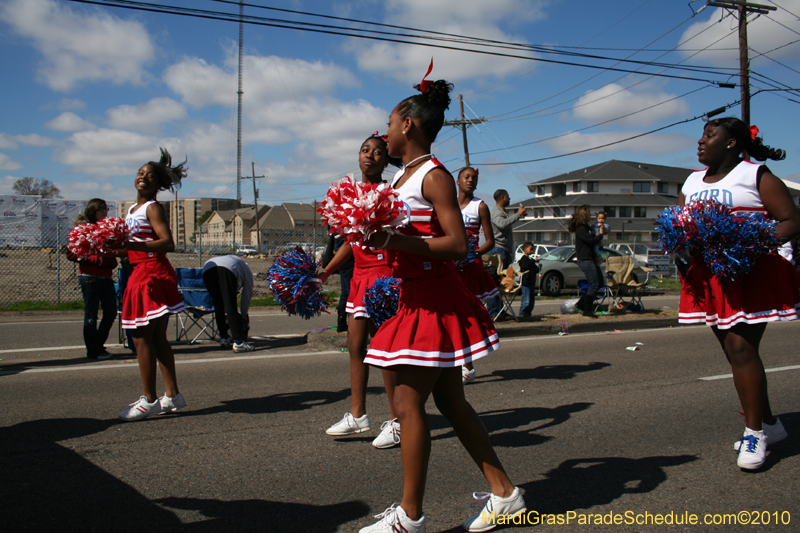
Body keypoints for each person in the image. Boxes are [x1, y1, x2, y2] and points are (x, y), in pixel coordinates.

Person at [359, 77, 523, 533]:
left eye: (390, 124)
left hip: (434, 299)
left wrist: (394, 238)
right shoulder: (402, 176)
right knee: (451, 403)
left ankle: (409, 517)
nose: (385, 132)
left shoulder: (433, 175)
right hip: (415, 295)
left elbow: (456, 245)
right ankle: (506, 494)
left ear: (408, 125)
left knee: (408, 404)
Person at [678, 117, 800, 470]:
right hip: (709, 278)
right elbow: (681, 223)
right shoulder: (691, 180)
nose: (701, 141)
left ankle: (755, 434)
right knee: (734, 354)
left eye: (710, 135)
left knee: (740, 347)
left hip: (748, 271)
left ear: (732, 143)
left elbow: (791, 220)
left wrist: (748, 240)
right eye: (701, 135)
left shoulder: (756, 175)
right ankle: (772, 425)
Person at [317, 133, 403, 449]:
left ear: (385, 160)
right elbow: (352, 244)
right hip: (360, 278)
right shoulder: (351, 194)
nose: (370, 155)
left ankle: (397, 421)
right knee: (355, 346)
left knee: (386, 352)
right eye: (365, 150)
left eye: (378, 152)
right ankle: (358, 415)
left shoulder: (389, 192)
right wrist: (325, 271)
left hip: (384, 277)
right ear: (357, 157)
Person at [119, 148, 188, 422]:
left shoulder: (152, 207)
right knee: (157, 338)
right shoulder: (132, 209)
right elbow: (131, 246)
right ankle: (172, 395)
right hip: (142, 270)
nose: (143, 178)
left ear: (158, 184)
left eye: (150, 176)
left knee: (140, 337)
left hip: (150, 272)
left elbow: (167, 243)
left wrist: (130, 245)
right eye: (140, 173)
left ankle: (149, 400)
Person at [456, 166, 498, 384]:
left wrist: (471, 254)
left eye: (474, 178)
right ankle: (454, 363)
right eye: (466, 177)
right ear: (458, 181)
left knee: (464, 316)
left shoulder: (480, 206)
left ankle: (467, 366)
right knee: (450, 315)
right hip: (449, 266)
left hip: (470, 267)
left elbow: (490, 241)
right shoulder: (446, 203)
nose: (470, 180)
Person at [66, 198, 119, 360]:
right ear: (92, 210)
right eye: (101, 208)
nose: (105, 211)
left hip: (106, 277)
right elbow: (72, 254)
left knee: (110, 312)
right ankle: (94, 350)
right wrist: (95, 260)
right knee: (91, 315)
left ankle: (97, 345)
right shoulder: (82, 229)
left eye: (106, 208)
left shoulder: (108, 230)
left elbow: (112, 252)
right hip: (89, 277)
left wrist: (110, 258)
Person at [202, 254, 254, 353]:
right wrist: (243, 314)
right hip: (227, 269)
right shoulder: (246, 270)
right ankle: (238, 342)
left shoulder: (237, 263)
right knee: (230, 305)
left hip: (207, 269)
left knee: (218, 305)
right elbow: (247, 294)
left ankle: (223, 338)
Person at [486, 190, 526, 319]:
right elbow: (502, 224)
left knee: (501, 283)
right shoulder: (496, 212)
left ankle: (499, 310)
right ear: (502, 197)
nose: (509, 199)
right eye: (508, 197)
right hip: (499, 250)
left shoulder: (501, 211)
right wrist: (518, 215)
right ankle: (493, 311)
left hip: (503, 250)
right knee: (497, 282)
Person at [568, 205, 604, 318]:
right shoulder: (581, 228)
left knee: (600, 283)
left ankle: (581, 304)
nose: (590, 215)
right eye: (588, 213)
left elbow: (592, 242)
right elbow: (590, 240)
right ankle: (587, 309)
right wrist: (600, 235)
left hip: (591, 258)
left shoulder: (587, 227)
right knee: (594, 284)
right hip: (585, 259)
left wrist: (599, 244)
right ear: (583, 215)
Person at [321, 232, 354, 333]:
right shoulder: (343, 226)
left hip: (343, 261)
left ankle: (342, 322)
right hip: (348, 260)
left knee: (345, 292)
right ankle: (348, 324)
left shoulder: (338, 226)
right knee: (350, 293)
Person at [517, 242, 540, 318]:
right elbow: (525, 265)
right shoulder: (524, 259)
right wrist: (534, 261)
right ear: (525, 249)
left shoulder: (531, 260)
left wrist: (538, 266)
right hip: (526, 282)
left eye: (533, 249)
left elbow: (536, 270)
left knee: (531, 301)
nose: (532, 251)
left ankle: (528, 313)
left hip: (531, 283)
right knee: (526, 300)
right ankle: (522, 313)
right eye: (531, 249)